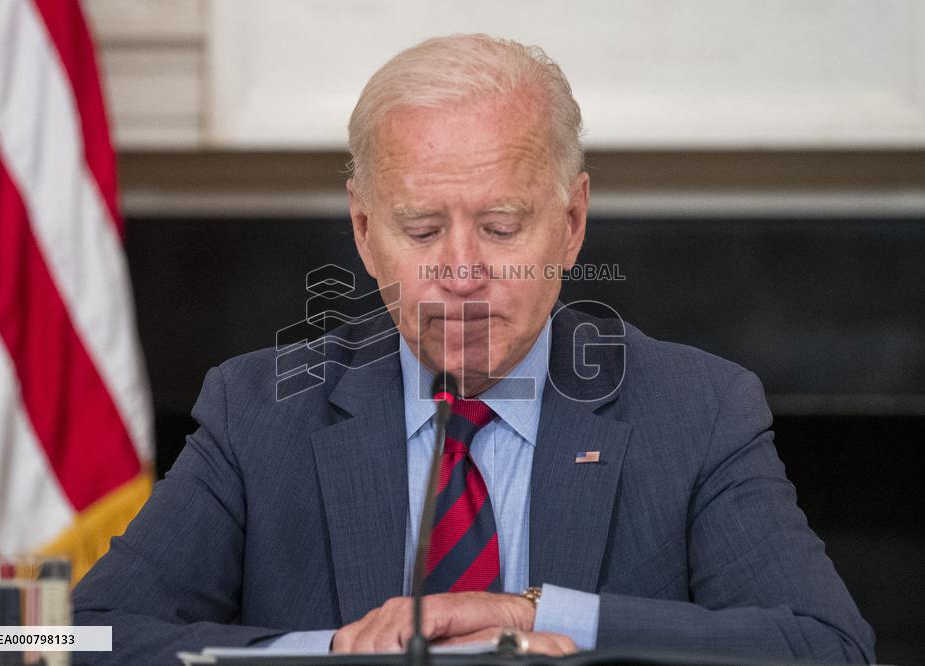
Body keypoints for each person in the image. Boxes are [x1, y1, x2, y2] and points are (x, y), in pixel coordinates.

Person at [73, 34, 875, 663]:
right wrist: (337, 652)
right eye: (421, 230)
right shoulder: (259, 410)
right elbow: (69, 640)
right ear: (363, 230)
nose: (461, 271)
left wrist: (540, 615)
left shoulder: (697, 411)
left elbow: (827, 647)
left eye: (500, 227)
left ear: (571, 223)